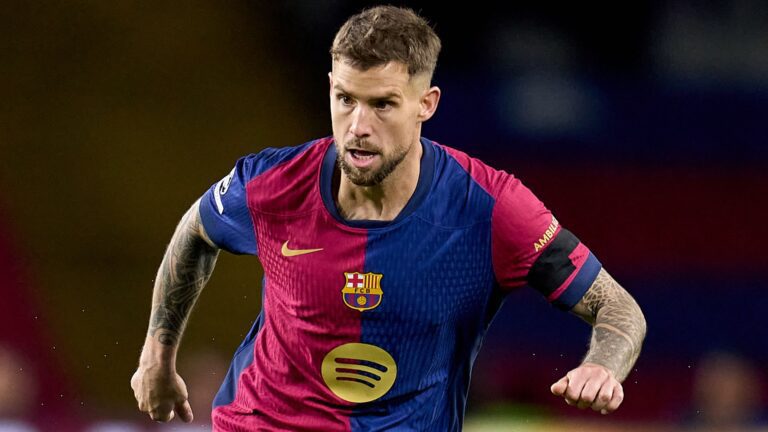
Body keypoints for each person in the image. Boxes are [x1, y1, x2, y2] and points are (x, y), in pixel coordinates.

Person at [131, 5, 647, 430]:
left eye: (382, 105)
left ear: (426, 104)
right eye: (345, 99)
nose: (358, 126)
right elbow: (195, 232)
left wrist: (602, 365)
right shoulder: (271, 182)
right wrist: (158, 353)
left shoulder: (491, 208)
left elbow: (618, 308)